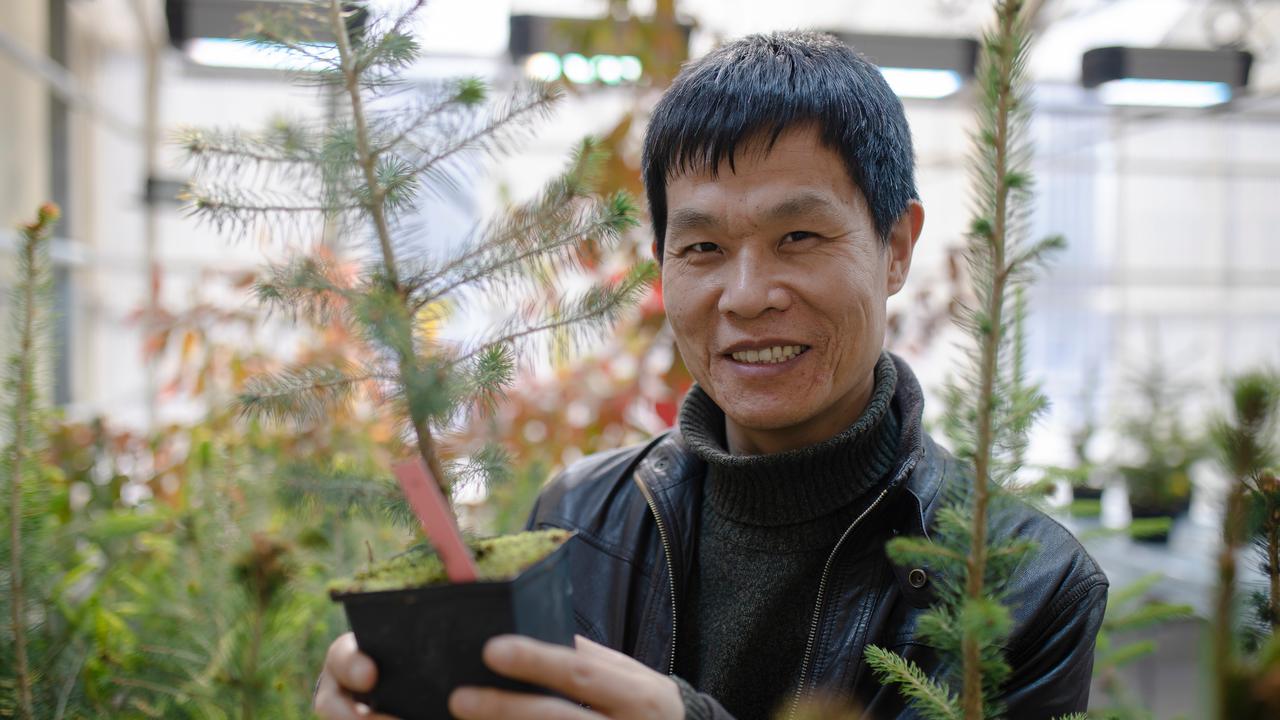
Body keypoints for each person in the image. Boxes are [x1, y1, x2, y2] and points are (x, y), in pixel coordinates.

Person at [314, 30, 1108, 720]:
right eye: (703, 249)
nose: (748, 296)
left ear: (897, 245)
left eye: (797, 235)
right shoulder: (582, 517)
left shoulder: (1023, 585)